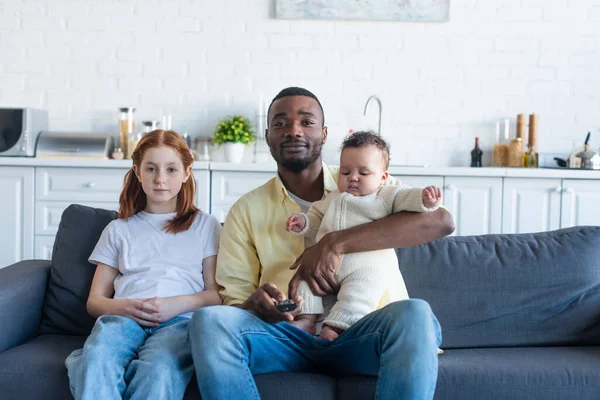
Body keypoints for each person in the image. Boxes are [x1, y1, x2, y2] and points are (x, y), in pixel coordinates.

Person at [189, 87, 455, 400]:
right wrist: (259, 306)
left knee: (416, 313)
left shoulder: (368, 181)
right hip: (288, 336)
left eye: (306, 122)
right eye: (280, 124)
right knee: (208, 321)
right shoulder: (246, 210)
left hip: (363, 332)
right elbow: (234, 303)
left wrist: (333, 243)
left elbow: (440, 221)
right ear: (267, 136)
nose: (294, 131)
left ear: (325, 134)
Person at [65, 130, 222, 400]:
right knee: (97, 360)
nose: (160, 179)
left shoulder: (205, 225)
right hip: (121, 321)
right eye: (151, 169)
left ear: (187, 172)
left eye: (171, 169)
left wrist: (174, 305)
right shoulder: (118, 230)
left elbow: (216, 295)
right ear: (138, 172)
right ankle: (84, 360)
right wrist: (124, 307)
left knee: (160, 371)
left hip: (179, 324)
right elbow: (95, 301)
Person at [286, 130, 443, 341]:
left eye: (364, 173)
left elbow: (406, 198)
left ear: (383, 177)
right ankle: (306, 320)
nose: (353, 178)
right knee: (305, 283)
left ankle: (335, 328)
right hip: (325, 269)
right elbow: (316, 217)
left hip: (365, 267)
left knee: (360, 294)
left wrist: (425, 199)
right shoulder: (332, 198)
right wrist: (303, 223)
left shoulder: (385, 196)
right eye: (345, 171)